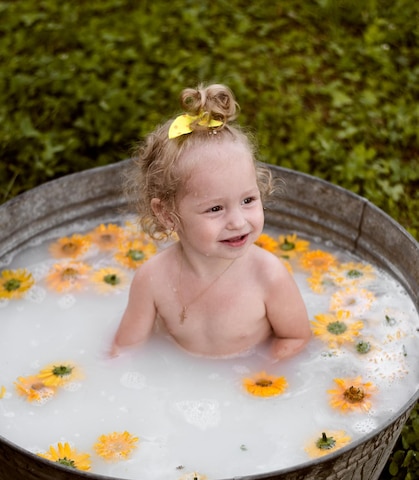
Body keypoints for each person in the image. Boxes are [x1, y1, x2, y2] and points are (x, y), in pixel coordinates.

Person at [110, 83, 311, 360]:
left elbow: (296, 336)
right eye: (216, 208)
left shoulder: (268, 276)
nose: (238, 221)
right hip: (177, 381)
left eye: (248, 200)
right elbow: (126, 348)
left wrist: (262, 376)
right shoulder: (153, 279)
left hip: (248, 381)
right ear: (167, 215)